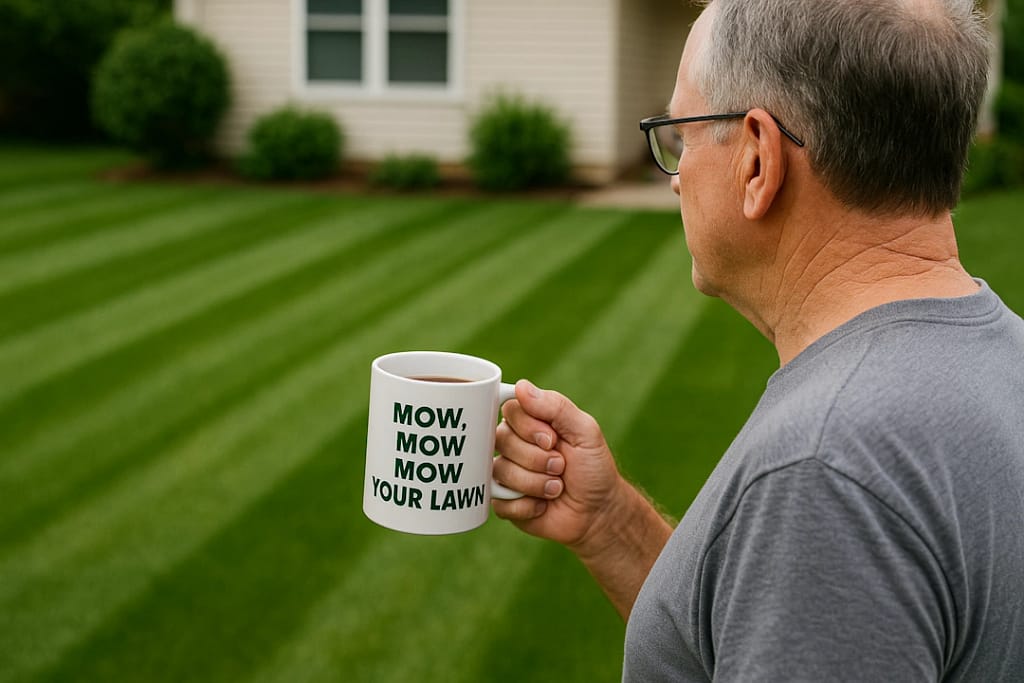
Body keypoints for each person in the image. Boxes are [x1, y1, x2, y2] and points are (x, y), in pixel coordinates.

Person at [491, 0, 1024, 680]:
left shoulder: (825, 466)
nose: (677, 175)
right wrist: (613, 524)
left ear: (757, 161)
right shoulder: (1002, 357)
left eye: (681, 135)